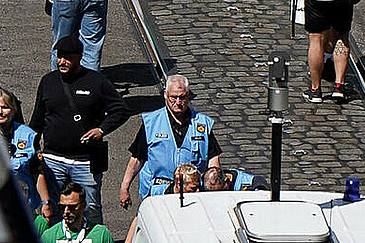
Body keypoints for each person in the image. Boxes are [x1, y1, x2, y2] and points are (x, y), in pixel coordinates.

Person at [28, 32, 129, 226]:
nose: (62, 61)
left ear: (79, 57)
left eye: (67, 57)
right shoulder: (48, 81)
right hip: (53, 160)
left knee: (90, 209)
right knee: (55, 210)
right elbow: (37, 119)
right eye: (59, 56)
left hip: (85, 162)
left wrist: (101, 130)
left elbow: (121, 110)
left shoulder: (96, 82)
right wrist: (31, 152)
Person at [119, 75, 222, 206]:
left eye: (182, 97)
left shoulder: (202, 124)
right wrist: (124, 188)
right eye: (174, 97)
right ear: (165, 95)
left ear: (189, 96)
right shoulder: (151, 122)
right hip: (158, 192)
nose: (178, 102)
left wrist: (213, 187)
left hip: (192, 192)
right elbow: (137, 159)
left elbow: (213, 159)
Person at [41, 181, 114, 243]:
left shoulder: (101, 234)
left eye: (72, 207)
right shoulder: (49, 236)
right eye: (62, 207)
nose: (66, 211)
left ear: (84, 205)